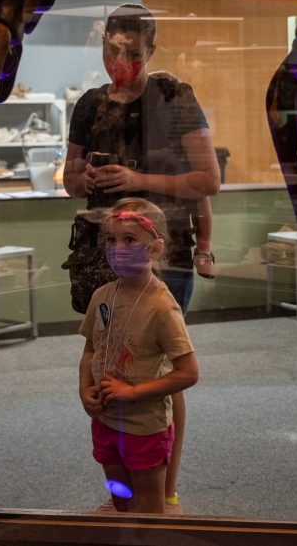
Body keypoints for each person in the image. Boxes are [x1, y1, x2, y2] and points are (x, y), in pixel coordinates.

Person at [63, 2, 219, 513]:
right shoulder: (89, 104)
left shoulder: (172, 96)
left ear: (151, 49)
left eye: (131, 51)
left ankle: (163, 489)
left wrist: (138, 181)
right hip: (102, 252)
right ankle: (122, 488)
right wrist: (82, 180)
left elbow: (207, 181)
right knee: (110, 355)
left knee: (158, 367)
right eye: (111, 49)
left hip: (160, 250)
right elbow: (68, 180)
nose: (119, 60)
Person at [78, 198, 199, 514]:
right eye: (111, 239)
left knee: (147, 508)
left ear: (155, 249)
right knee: (120, 496)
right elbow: (90, 348)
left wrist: (133, 392)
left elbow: (188, 372)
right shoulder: (102, 295)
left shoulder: (162, 307)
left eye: (129, 239)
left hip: (145, 425)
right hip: (105, 418)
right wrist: (84, 389)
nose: (117, 248)